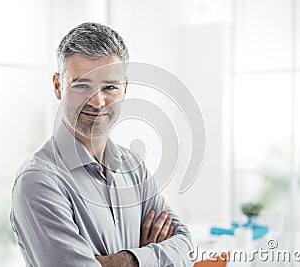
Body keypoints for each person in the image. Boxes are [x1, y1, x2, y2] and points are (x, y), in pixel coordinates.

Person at [10, 22, 194, 267]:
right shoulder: (39, 181)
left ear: (124, 88)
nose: (97, 102)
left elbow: (186, 247)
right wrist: (152, 255)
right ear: (58, 86)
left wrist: (127, 261)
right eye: (82, 85)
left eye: (109, 87)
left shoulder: (133, 166)